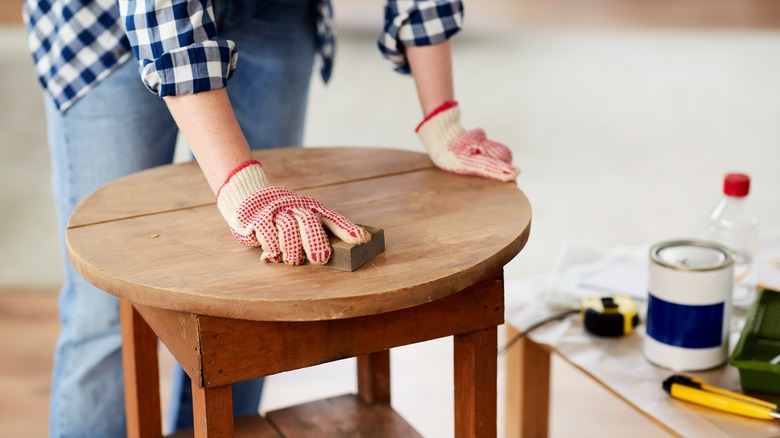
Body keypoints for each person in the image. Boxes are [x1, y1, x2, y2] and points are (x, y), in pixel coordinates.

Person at [23, 0, 518, 436]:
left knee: (250, 296)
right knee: (105, 308)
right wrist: (239, 180)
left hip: (277, 10)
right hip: (105, 25)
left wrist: (441, 115)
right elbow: (161, 11)